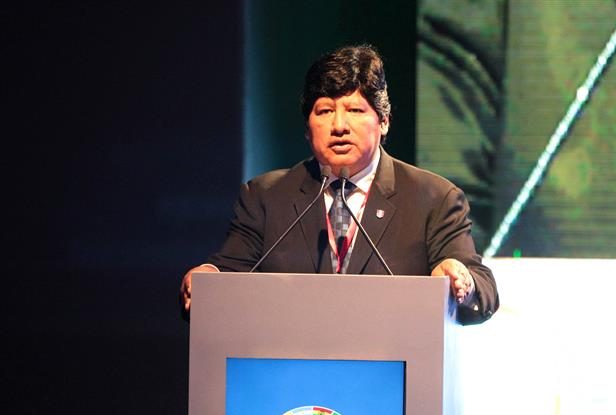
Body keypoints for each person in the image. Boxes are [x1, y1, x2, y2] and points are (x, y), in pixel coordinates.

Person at [180, 44, 498, 325]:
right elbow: (228, 275)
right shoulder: (266, 197)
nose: (339, 126)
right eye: (325, 111)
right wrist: (208, 278)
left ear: (384, 121)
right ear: (307, 127)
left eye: (355, 110)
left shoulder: (434, 198)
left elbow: (485, 292)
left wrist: (461, 279)